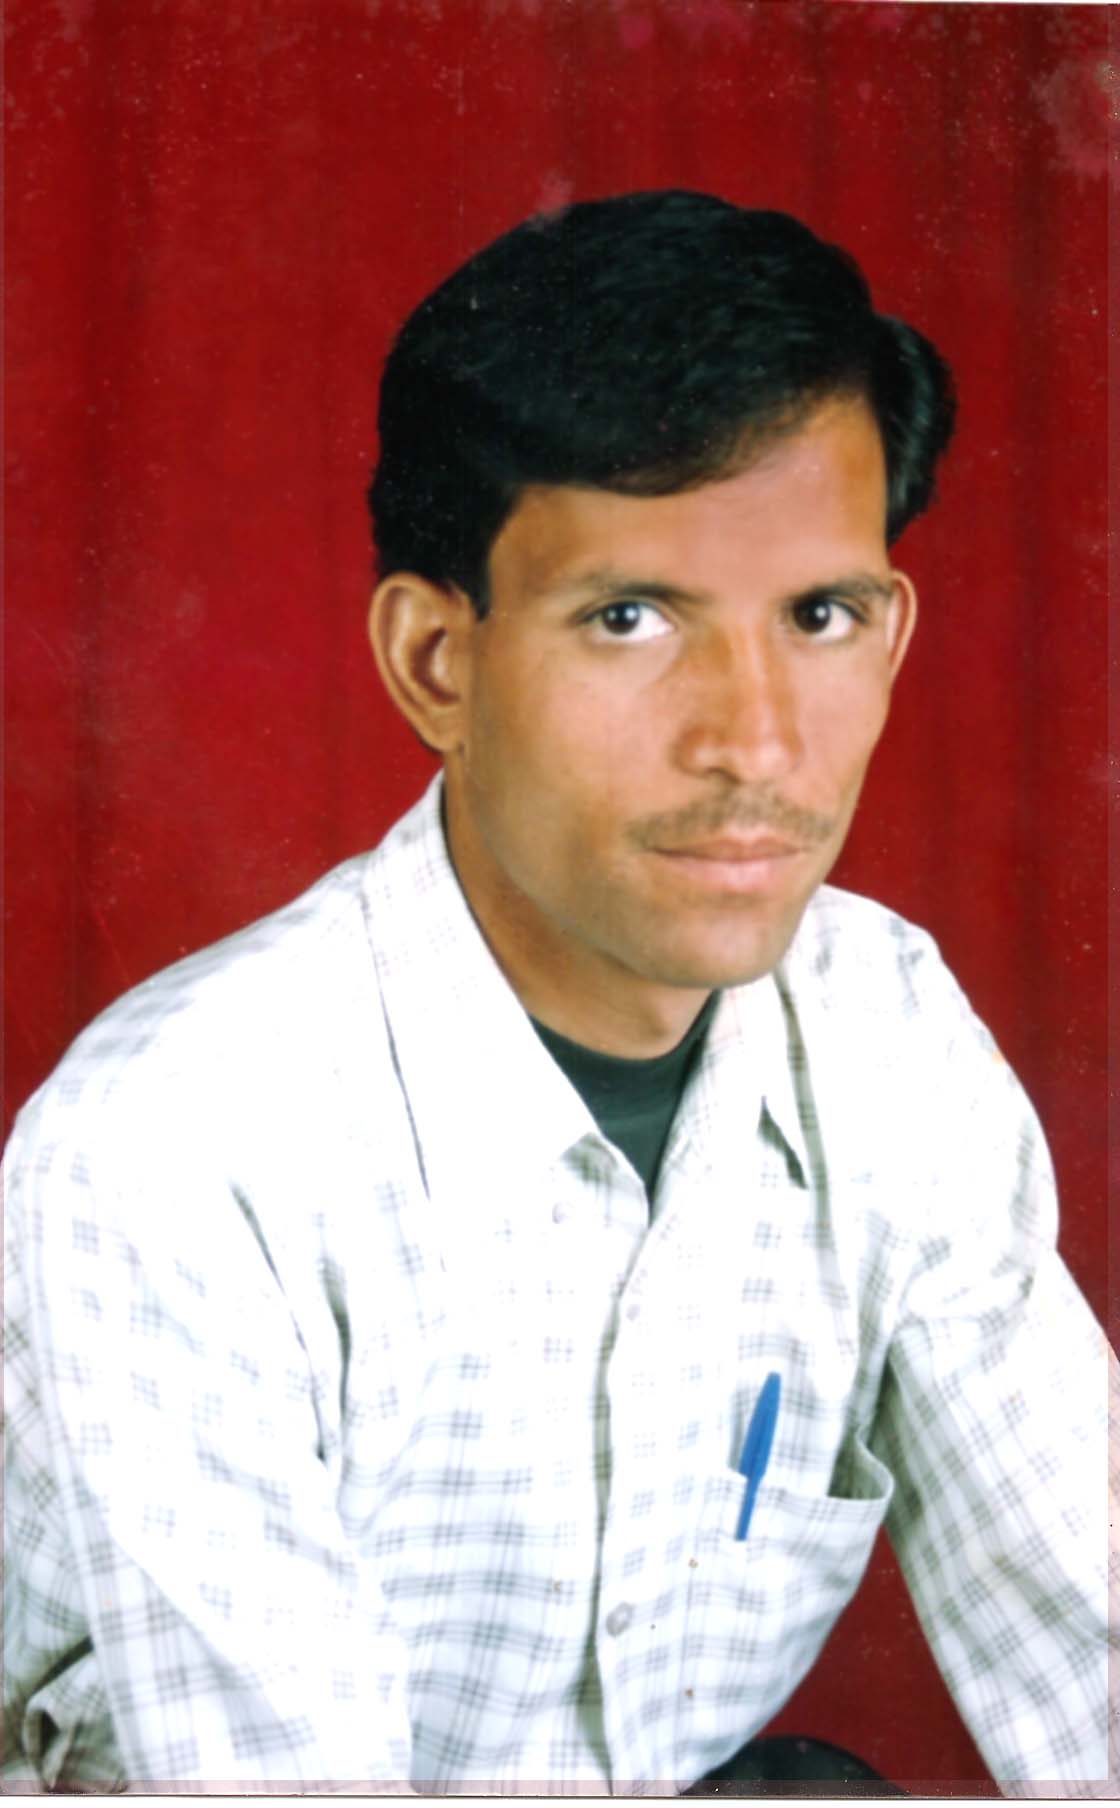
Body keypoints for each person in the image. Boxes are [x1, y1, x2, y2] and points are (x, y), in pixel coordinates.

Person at [3, 191, 1113, 1796]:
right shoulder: (180, 1145)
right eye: (629, 619)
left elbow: (1094, 1640)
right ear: (435, 665)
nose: (755, 741)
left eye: (821, 617)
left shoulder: (888, 1035)